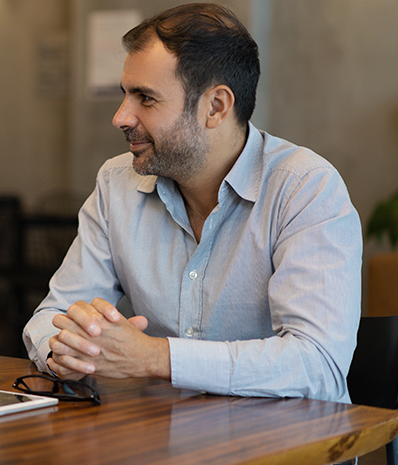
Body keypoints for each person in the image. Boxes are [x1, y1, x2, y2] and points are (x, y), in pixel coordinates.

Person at [22, 3, 361, 403]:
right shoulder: (117, 183)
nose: (120, 117)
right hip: (164, 439)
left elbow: (317, 364)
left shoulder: (305, 188)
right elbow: (49, 318)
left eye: (145, 98)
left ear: (216, 107)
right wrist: (68, 351)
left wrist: (155, 357)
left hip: (287, 443)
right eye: (124, 94)